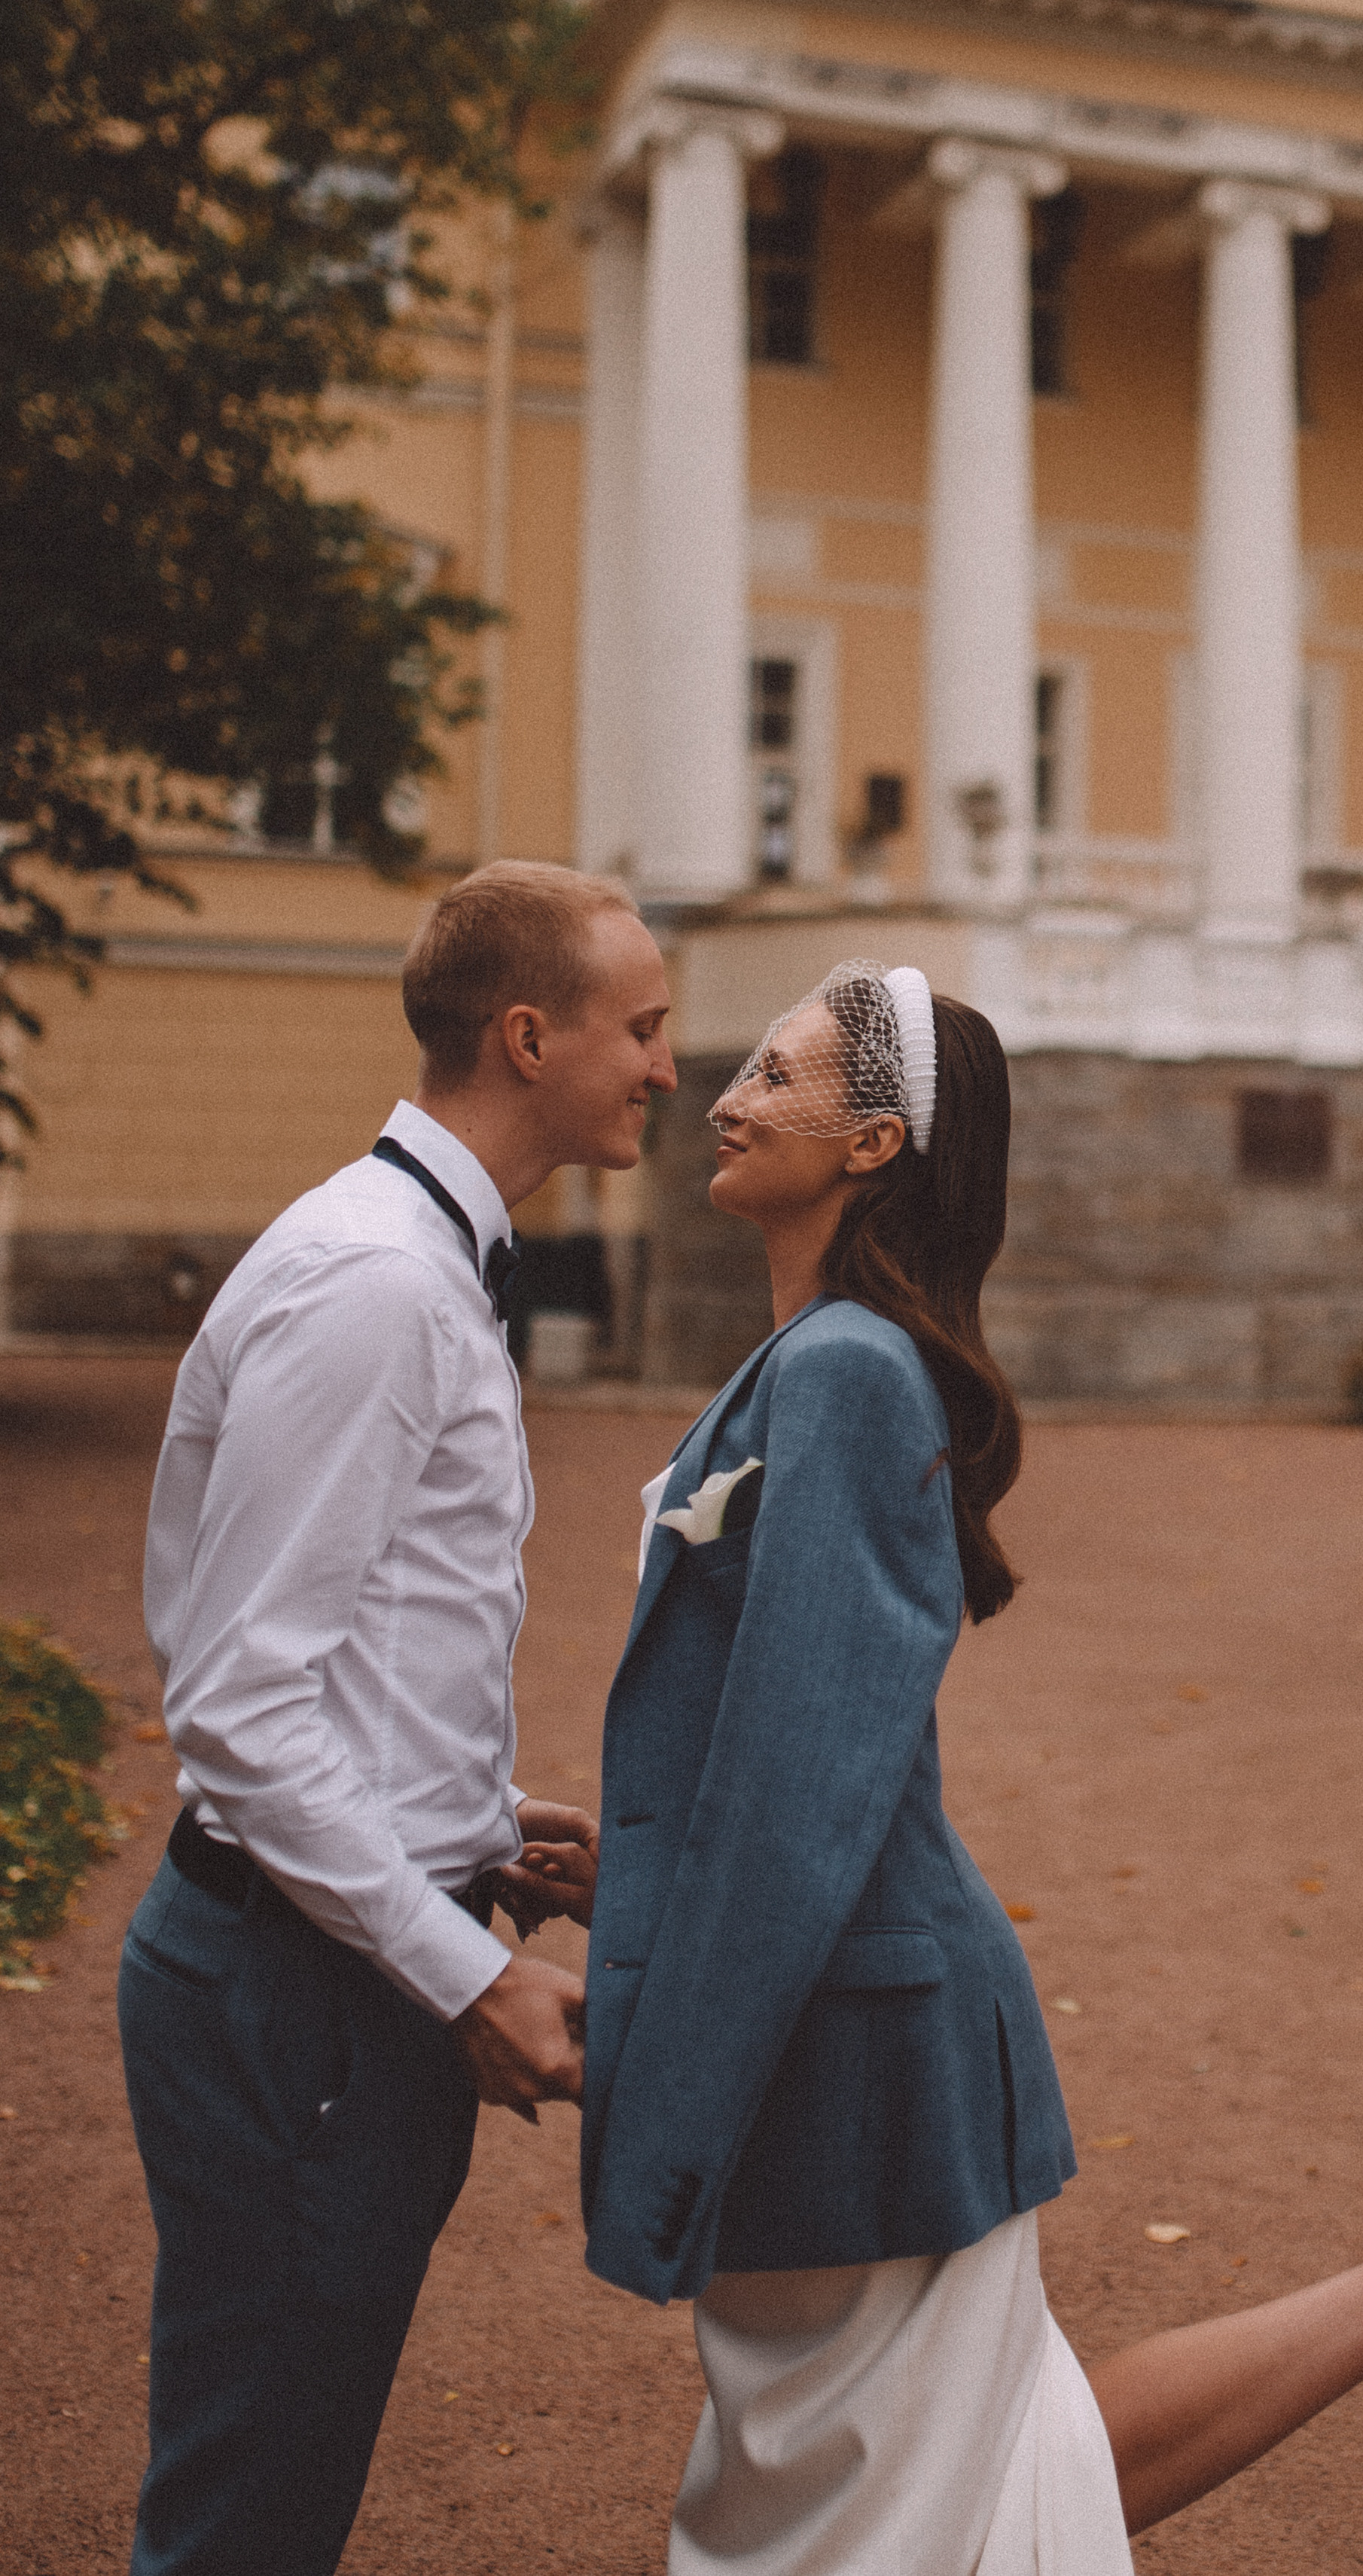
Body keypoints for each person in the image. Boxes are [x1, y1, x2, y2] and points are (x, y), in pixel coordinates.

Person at [532, 959, 1363, 2569]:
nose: (723, 1095)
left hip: (856, 2057)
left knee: (876, 2522)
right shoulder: (807, 1360)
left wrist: (660, 2094)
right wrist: (628, 1882)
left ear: (873, 1142)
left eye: (774, 1076)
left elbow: (804, 1787)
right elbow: (759, 1757)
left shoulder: (844, 1372)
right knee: (980, 2483)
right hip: (847, 2024)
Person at [118, 861, 675, 2576]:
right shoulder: (377, 1284)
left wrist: (472, 1812)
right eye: (642, 1029)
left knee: (275, 2484)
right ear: (528, 1035)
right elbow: (236, 1701)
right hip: (306, 1999)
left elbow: (335, 1655)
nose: (667, 1067)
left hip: (331, 1971)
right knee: (247, 2520)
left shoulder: (415, 1258)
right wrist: (472, 1973)